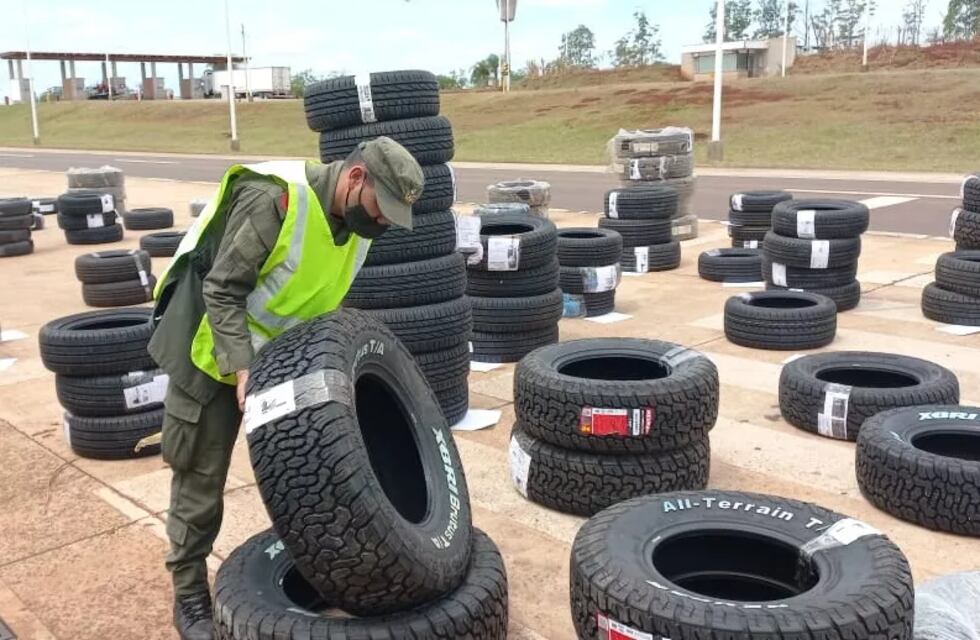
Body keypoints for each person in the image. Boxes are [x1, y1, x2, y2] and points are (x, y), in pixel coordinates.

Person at [148, 137, 424, 640]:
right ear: (355, 178)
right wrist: (242, 368)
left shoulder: (359, 224)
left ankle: (324, 565)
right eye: (380, 209)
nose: (381, 222)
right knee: (200, 478)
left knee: (314, 466)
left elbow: (317, 296)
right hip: (210, 349)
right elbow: (222, 289)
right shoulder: (276, 198)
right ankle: (188, 593)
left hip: (281, 359)